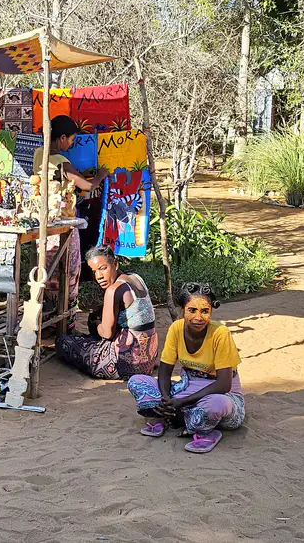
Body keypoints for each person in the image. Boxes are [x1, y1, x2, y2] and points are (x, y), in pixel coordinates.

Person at [126, 282, 245, 453]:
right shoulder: (176, 328)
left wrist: (181, 402)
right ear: (182, 310)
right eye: (192, 310)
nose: (198, 317)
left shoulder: (221, 333)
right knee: (136, 381)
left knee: (216, 405)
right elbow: (165, 372)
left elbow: (224, 384)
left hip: (220, 396)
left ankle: (183, 421)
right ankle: (179, 417)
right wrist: (166, 400)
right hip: (185, 390)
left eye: (205, 311)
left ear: (211, 310)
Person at [34, 115, 110, 329]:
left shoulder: (39, 154)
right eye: (71, 140)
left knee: (46, 273)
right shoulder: (60, 161)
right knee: (69, 272)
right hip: (62, 224)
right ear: (62, 137)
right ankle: (65, 325)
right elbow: (86, 186)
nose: (71, 145)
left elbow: (64, 177)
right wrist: (100, 176)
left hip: (45, 225)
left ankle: (46, 322)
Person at [56, 245, 158, 379]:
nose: (98, 276)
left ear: (115, 264)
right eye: (94, 272)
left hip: (126, 363)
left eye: (102, 269)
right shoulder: (135, 278)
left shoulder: (114, 290)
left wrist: (95, 324)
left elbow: (107, 333)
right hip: (149, 359)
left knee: (63, 341)